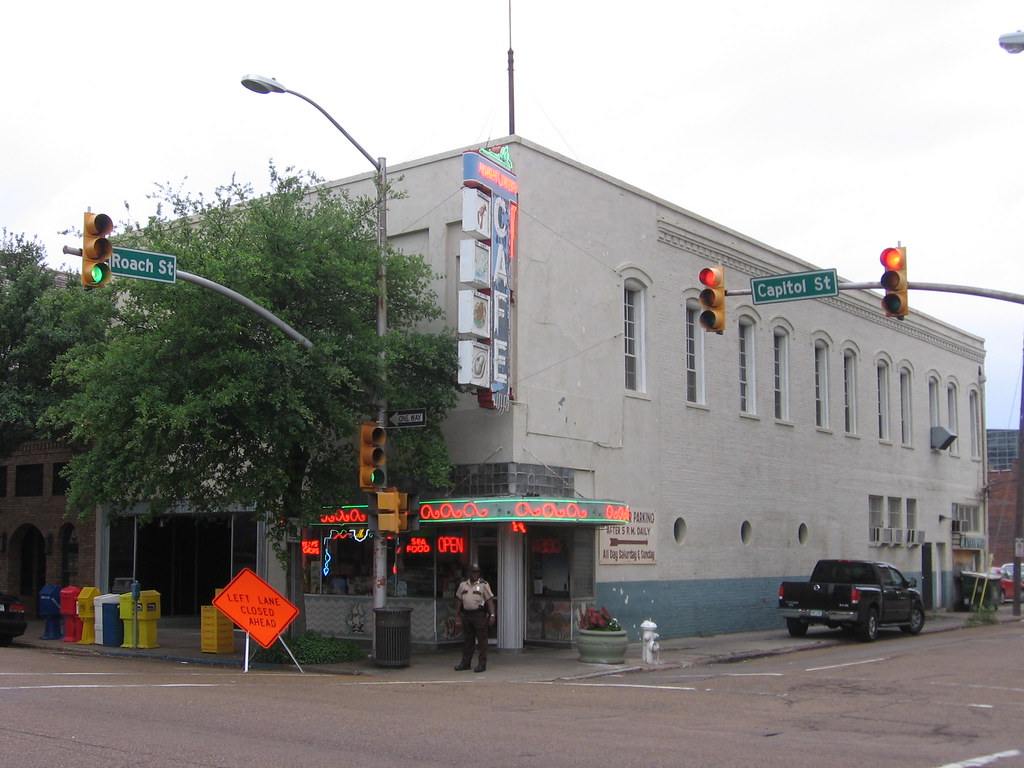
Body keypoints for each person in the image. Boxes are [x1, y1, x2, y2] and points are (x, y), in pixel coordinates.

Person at [454, 563, 496, 672]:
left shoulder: (483, 585)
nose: (475, 574)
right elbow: (459, 601)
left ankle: (482, 664)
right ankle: (465, 663)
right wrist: (457, 616)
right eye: (473, 571)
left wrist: (492, 615)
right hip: (467, 615)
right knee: (468, 640)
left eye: (477, 571)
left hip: (479, 615)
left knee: (482, 640)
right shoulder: (463, 585)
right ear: (469, 572)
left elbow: (490, 601)